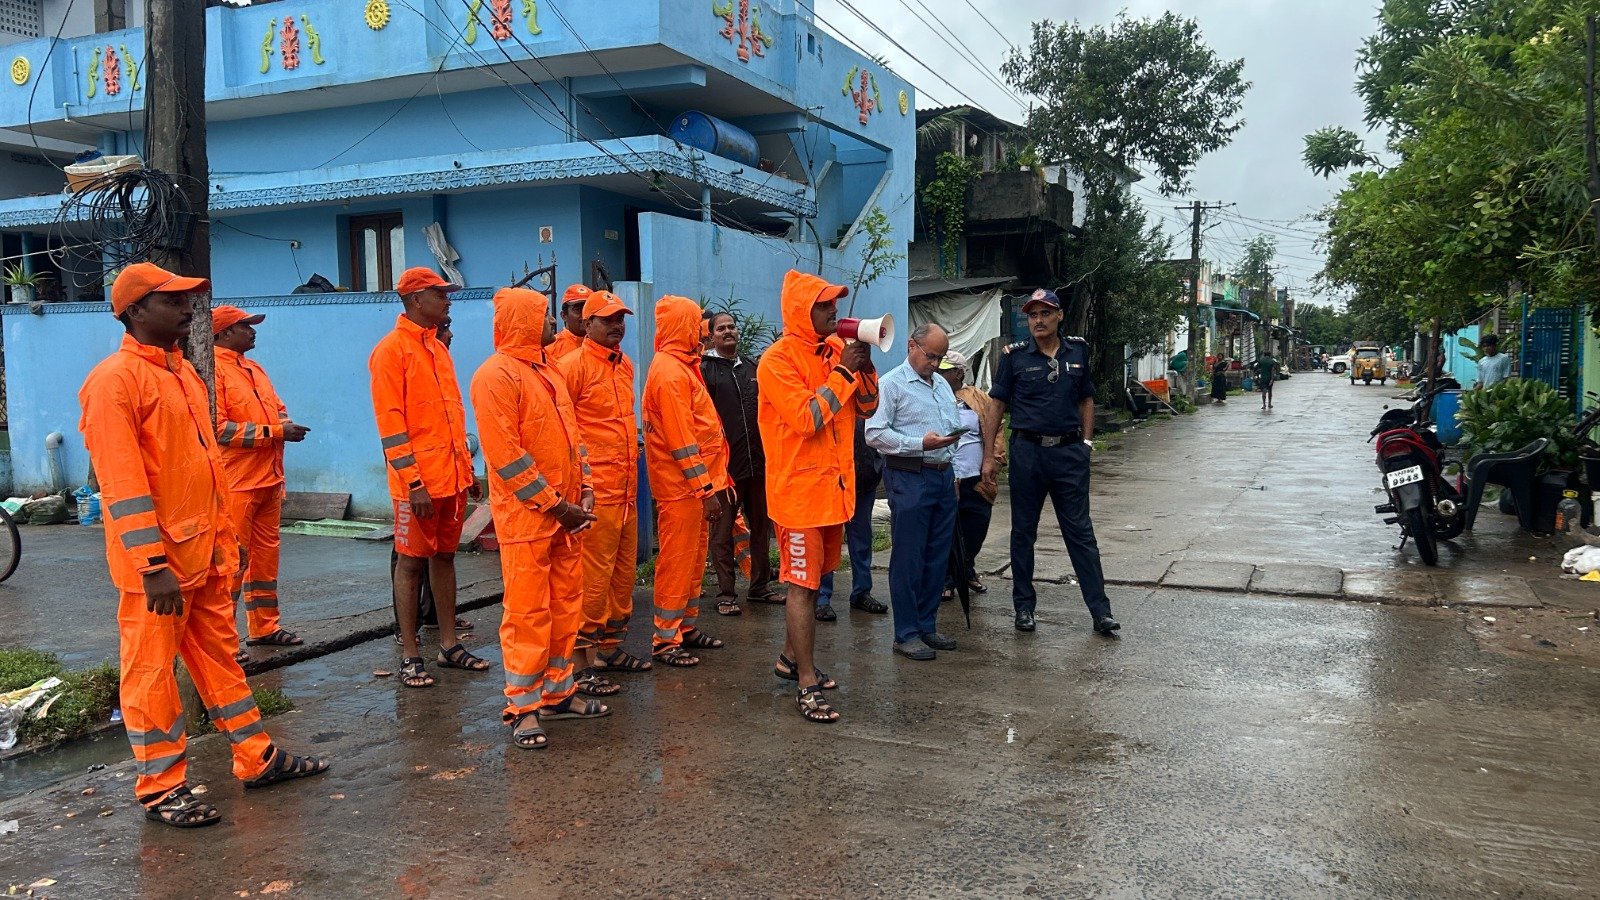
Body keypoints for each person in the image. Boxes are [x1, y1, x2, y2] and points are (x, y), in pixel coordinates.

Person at [80, 263, 328, 828]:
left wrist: (223, 548)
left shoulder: (185, 375)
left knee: (221, 663)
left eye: (189, 301)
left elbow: (206, 468)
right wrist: (151, 564)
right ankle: (161, 788)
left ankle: (256, 756)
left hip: (205, 556)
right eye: (173, 301)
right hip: (160, 569)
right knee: (150, 674)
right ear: (136, 310)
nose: (188, 310)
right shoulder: (115, 381)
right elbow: (122, 484)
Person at [471, 287, 607, 750]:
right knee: (528, 613)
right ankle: (524, 708)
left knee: (565, 607)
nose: (554, 324)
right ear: (526, 322)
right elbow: (507, 459)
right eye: (548, 316)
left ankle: (557, 693)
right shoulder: (495, 376)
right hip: (530, 520)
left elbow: (574, 440)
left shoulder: (546, 371)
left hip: (565, 518)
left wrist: (585, 490)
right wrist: (556, 505)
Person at [757, 271, 879, 722]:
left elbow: (866, 409)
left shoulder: (834, 351)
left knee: (816, 580)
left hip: (833, 491)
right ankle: (806, 682)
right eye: (825, 305)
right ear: (800, 311)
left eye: (835, 304)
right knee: (803, 588)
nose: (835, 312)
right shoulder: (775, 361)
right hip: (798, 496)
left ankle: (790, 659)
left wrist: (863, 371)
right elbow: (808, 418)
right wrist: (845, 369)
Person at [369, 266, 490, 689]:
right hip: (417, 487)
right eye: (441, 294)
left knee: (445, 558)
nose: (448, 300)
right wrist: (413, 482)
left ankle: (449, 645)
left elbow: (450, 418)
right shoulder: (391, 351)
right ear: (417, 300)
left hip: (452, 480)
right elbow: (392, 425)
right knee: (410, 564)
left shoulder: (437, 349)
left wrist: (467, 471)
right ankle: (409, 653)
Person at [980, 289, 1119, 636]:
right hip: (1028, 453)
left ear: (1058, 316)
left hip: (1069, 455)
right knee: (1023, 533)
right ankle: (1023, 608)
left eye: (1044, 313)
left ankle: (1100, 612)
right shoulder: (1014, 357)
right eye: (1032, 315)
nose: (1038, 321)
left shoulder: (1078, 352)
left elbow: (1086, 398)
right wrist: (988, 455)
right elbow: (996, 406)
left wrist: (1086, 443)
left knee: (1080, 534)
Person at [212, 305, 310, 657]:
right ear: (223, 333)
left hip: (268, 480)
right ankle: (223, 640)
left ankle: (265, 626)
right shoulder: (213, 372)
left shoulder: (254, 369)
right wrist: (275, 432)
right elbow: (219, 429)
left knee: (264, 562)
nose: (253, 331)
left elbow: (277, 409)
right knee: (232, 563)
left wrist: (282, 425)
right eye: (245, 326)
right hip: (237, 483)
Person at [558, 290, 642, 689]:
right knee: (591, 583)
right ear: (586, 324)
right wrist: (582, 483)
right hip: (597, 494)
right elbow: (567, 433)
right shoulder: (571, 366)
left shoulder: (624, 365)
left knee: (621, 579)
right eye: (607, 319)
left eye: (620, 318)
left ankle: (608, 649)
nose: (616, 325)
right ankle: (580, 665)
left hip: (627, 491)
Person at [643, 295, 729, 668]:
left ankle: (685, 628)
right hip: (683, 489)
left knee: (693, 561)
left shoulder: (681, 366)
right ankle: (666, 639)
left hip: (694, 488)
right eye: (699, 323)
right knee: (678, 562)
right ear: (684, 327)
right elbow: (682, 441)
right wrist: (705, 490)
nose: (705, 330)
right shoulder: (670, 372)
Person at [866, 324, 961, 660]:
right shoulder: (891, 385)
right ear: (912, 346)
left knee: (937, 555)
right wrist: (919, 444)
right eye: (930, 355)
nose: (935, 363)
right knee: (909, 556)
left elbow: (949, 429)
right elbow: (874, 434)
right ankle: (905, 633)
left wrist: (954, 468)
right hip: (909, 475)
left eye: (940, 358)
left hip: (942, 475)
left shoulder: (941, 387)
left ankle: (926, 625)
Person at [702, 310, 780, 615]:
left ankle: (759, 588)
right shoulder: (705, 371)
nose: (728, 331)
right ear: (710, 336)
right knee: (721, 534)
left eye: (732, 326)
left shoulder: (752, 368)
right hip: (725, 471)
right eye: (721, 328)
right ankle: (726, 593)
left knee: (761, 528)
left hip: (757, 466)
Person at [938, 349, 1000, 599]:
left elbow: (996, 429)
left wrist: (994, 460)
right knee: (948, 529)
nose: (939, 374)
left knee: (976, 528)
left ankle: (966, 569)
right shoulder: (934, 396)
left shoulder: (978, 398)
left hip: (977, 476)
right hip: (946, 475)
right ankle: (949, 579)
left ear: (959, 373)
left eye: (945, 370)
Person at [813, 419, 887, 620]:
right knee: (828, 542)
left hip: (863, 479)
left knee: (861, 540)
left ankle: (862, 592)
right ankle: (821, 598)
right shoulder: (828, 393)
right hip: (831, 482)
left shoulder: (866, 393)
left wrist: (875, 465)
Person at [550, 284, 592, 361]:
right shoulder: (551, 347)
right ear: (564, 315)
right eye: (578, 310)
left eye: (588, 309)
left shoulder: (602, 345)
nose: (584, 315)